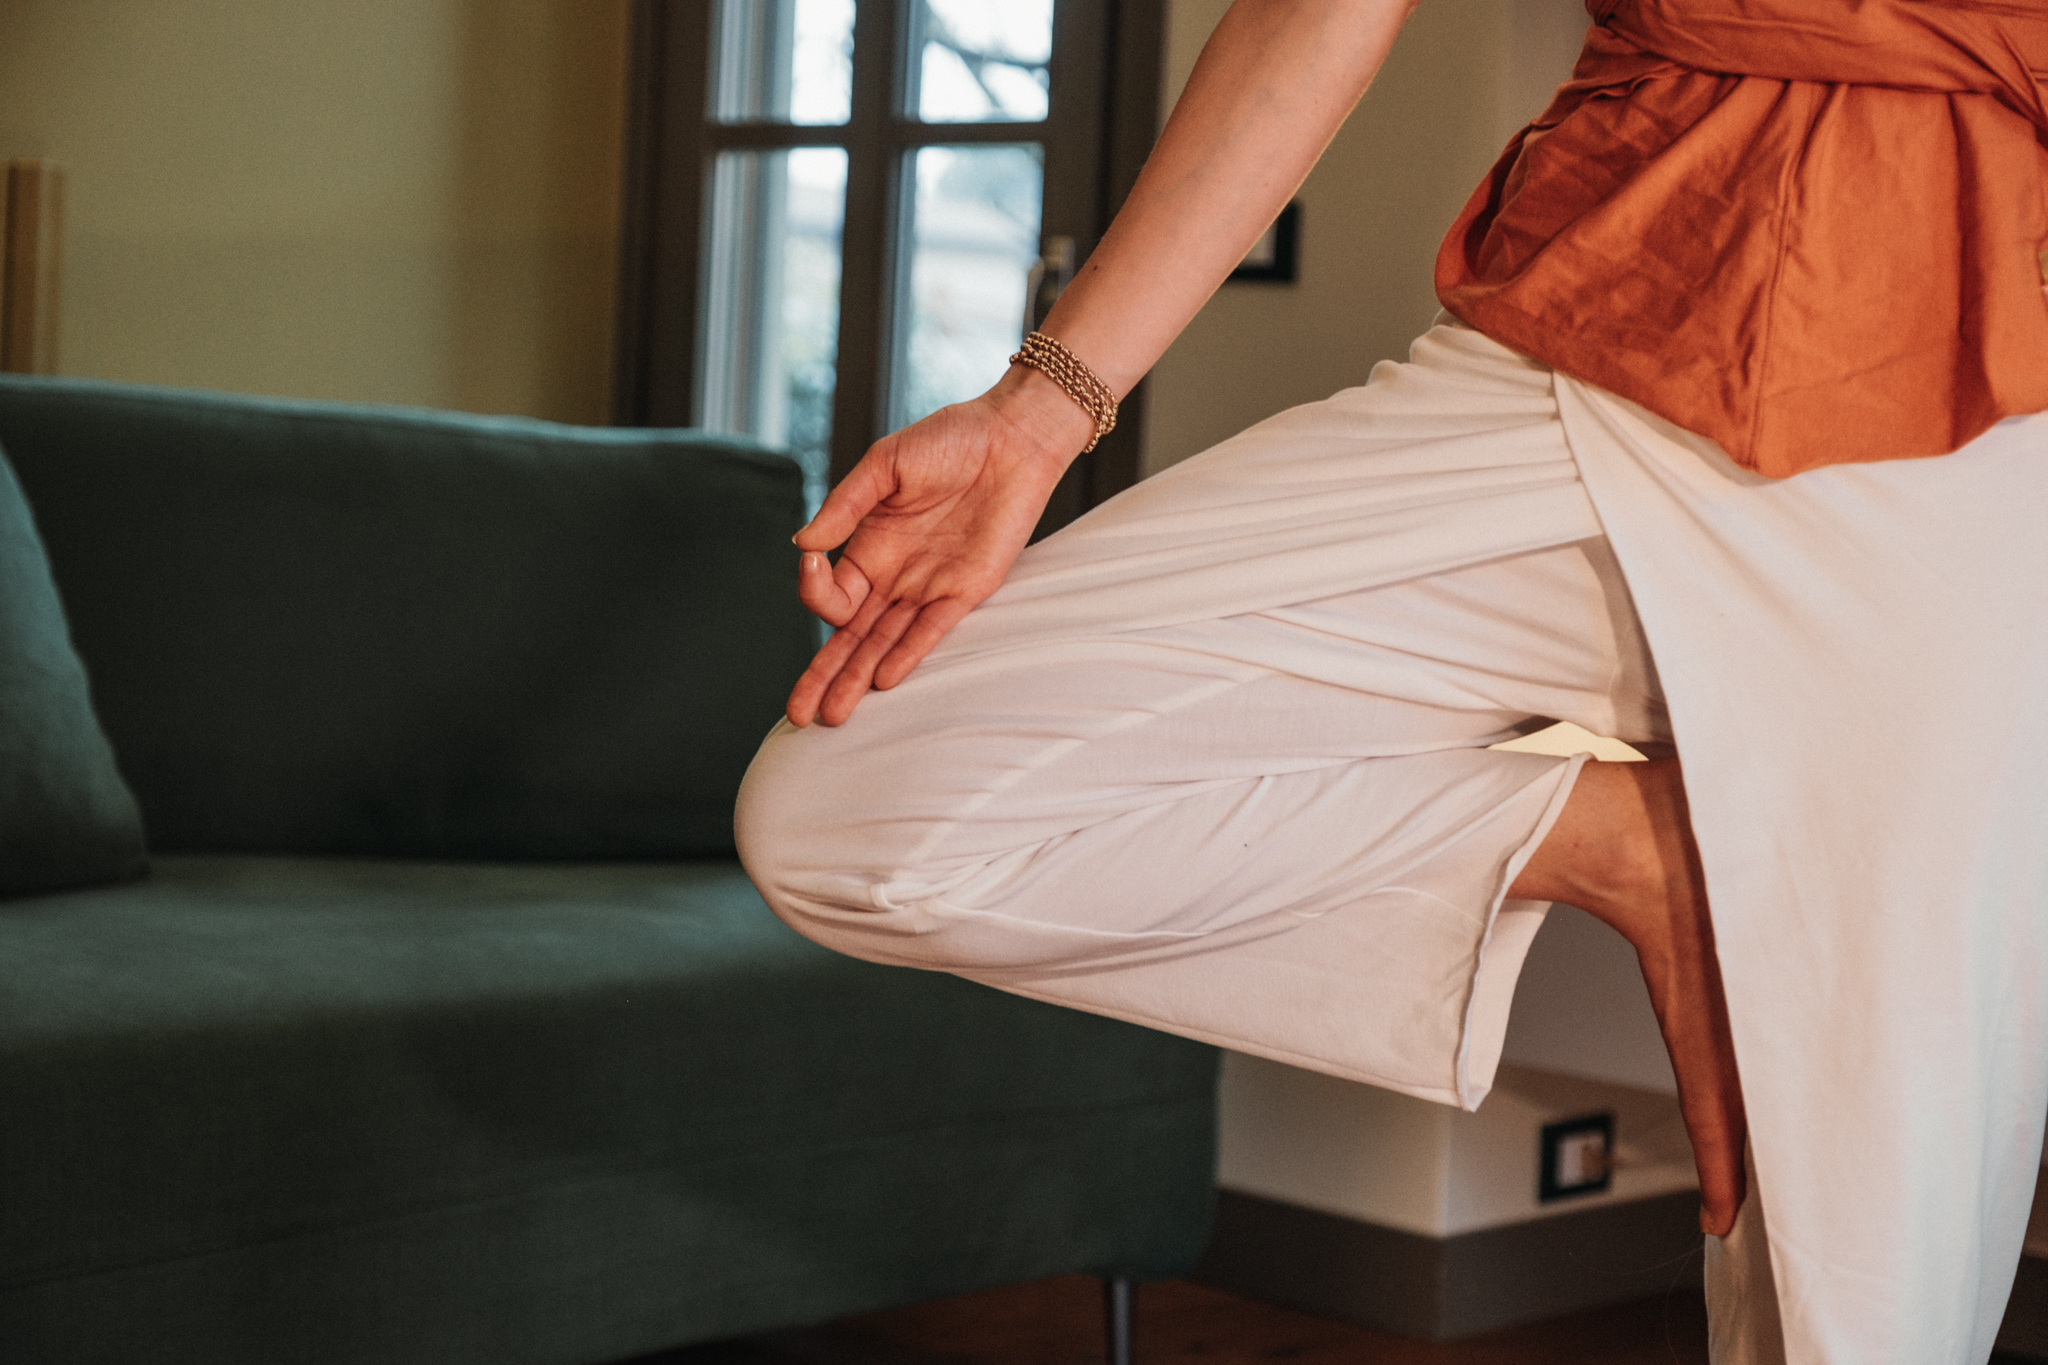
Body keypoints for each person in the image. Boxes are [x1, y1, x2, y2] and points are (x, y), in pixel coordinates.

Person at [736, 2, 2048, 1360]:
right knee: (847, 809)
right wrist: (1038, 413)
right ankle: (1629, 846)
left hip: (1969, 378)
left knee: (1852, 1298)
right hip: (1605, 296)